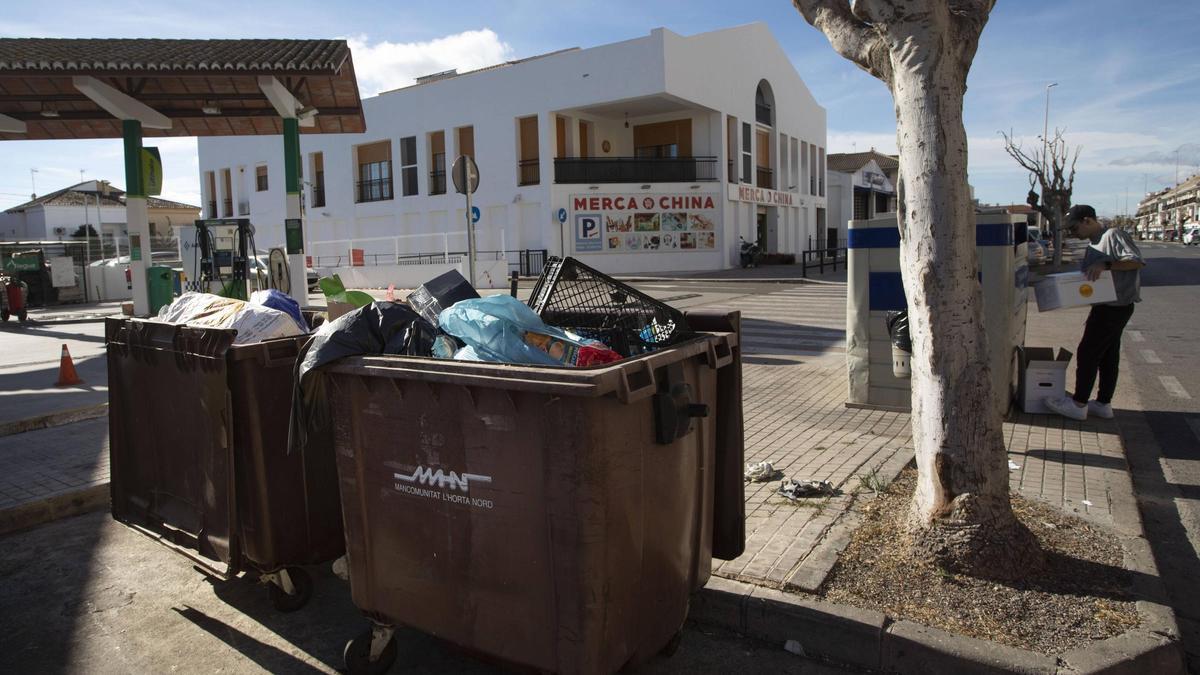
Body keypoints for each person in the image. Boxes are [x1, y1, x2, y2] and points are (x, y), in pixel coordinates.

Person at [1044, 205, 1146, 421]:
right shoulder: (1093, 244)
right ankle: (1102, 403)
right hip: (1105, 306)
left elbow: (1136, 261)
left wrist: (1105, 263)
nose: (1073, 233)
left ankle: (1079, 404)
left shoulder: (1112, 235)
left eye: (1074, 228)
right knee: (1108, 356)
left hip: (1114, 308)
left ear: (1088, 220)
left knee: (1088, 353)